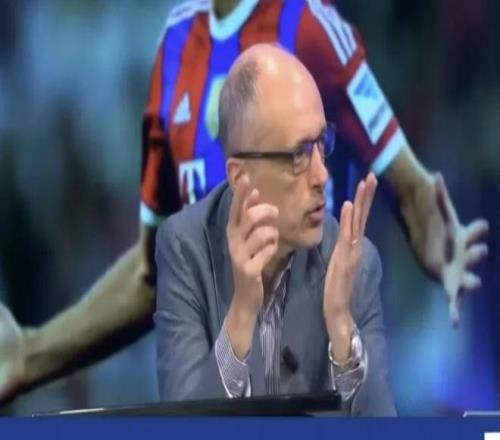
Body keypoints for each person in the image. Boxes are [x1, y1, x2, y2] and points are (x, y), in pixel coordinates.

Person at [0, 0, 488, 405]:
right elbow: (153, 273)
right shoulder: (175, 46)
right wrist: (30, 355)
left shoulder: (308, 25)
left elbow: (411, 187)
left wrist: (438, 235)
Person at [155, 43, 394, 416]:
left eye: (321, 144)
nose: (321, 175)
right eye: (299, 154)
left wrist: (341, 326)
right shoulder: (186, 249)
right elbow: (180, 425)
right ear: (240, 176)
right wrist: (240, 316)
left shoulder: (352, 264)